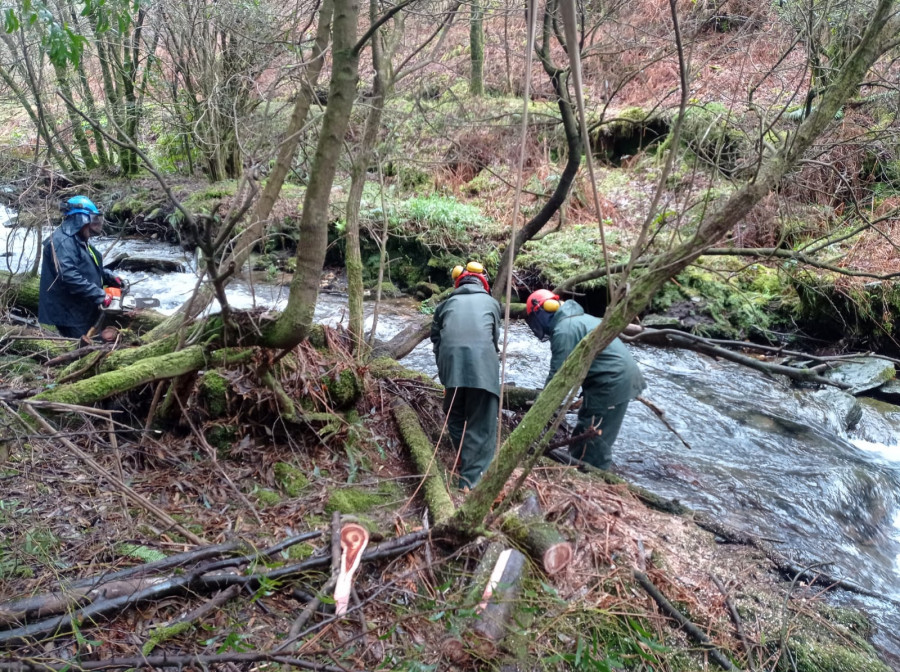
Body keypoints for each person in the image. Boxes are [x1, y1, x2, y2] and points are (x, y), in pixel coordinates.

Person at [525, 289, 645, 470]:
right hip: (610, 379)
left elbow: (560, 376)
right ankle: (575, 467)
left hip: (611, 382)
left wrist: (541, 406)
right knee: (585, 427)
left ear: (541, 312)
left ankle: (597, 478)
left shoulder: (564, 330)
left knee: (596, 436)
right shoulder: (577, 319)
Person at [431, 261, 502, 490]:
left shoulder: (445, 305)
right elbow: (494, 340)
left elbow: (436, 342)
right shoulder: (492, 304)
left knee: (455, 415)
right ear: (483, 282)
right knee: (481, 424)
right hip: (483, 371)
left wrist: (447, 373)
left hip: (451, 370)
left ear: (458, 283)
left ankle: (462, 458)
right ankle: (471, 482)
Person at [39, 196, 123, 339]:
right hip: (69, 314)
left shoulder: (78, 239)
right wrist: (100, 294)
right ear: (79, 220)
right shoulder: (62, 242)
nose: (95, 224)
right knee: (82, 350)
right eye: (93, 219)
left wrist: (109, 276)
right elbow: (69, 276)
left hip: (82, 307)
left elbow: (88, 266)